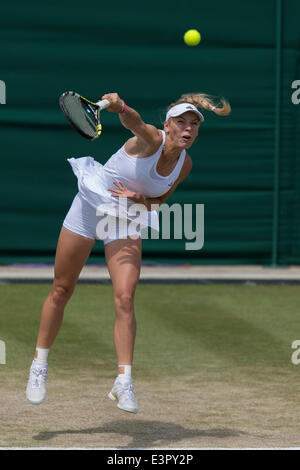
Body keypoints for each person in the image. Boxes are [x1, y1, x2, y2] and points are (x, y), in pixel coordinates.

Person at [26, 92, 231, 413]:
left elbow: (158, 203)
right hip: (90, 205)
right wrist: (120, 107)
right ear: (168, 125)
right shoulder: (150, 139)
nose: (188, 129)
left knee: (124, 297)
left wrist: (137, 198)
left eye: (194, 124)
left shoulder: (184, 164)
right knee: (62, 289)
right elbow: (133, 121)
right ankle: (39, 364)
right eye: (181, 123)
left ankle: (123, 381)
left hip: (125, 218)